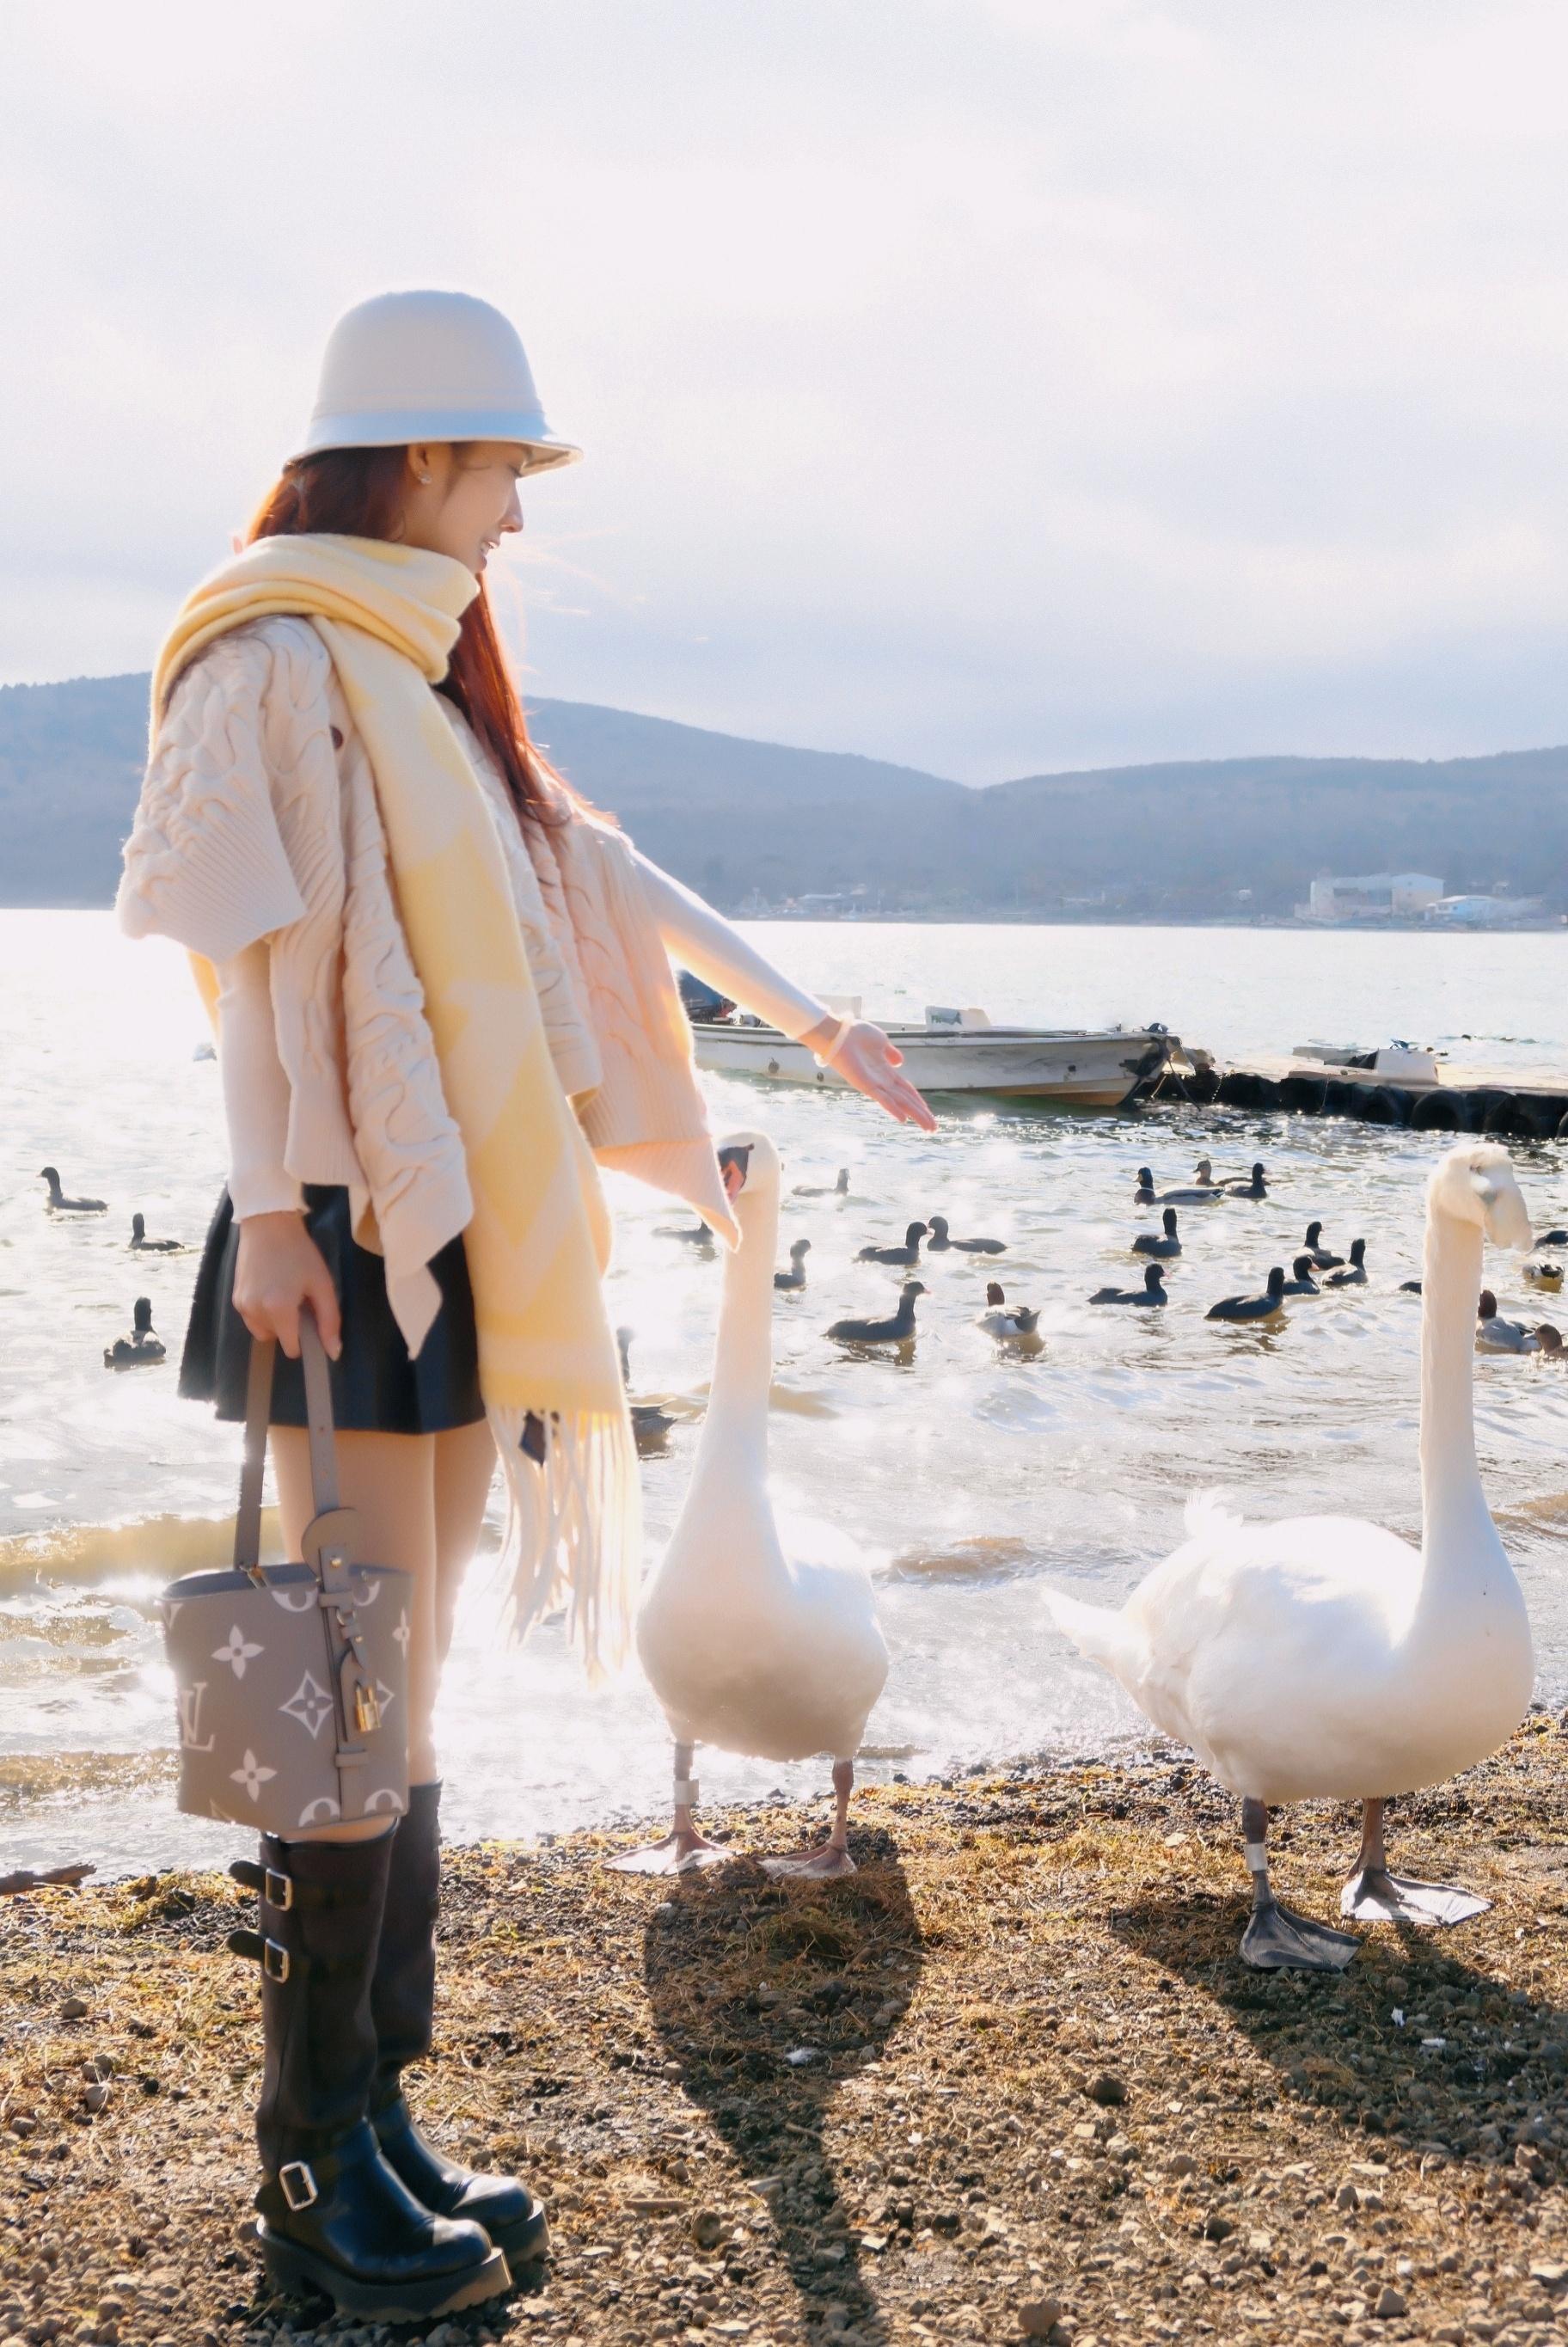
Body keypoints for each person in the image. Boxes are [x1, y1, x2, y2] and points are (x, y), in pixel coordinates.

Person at [117, 289, 934, 2320]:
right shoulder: (272, 652)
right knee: (344, 1694)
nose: (510, 515)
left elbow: (605, 876)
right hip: (340, 1224)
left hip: (463, 1230)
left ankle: (375, 2111)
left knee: (404, 1688)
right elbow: (252, 962)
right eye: (498, 471)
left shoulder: (424, 679)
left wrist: (813, 1027)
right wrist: (272, 1213)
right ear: (414, 456)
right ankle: (308, 2170)